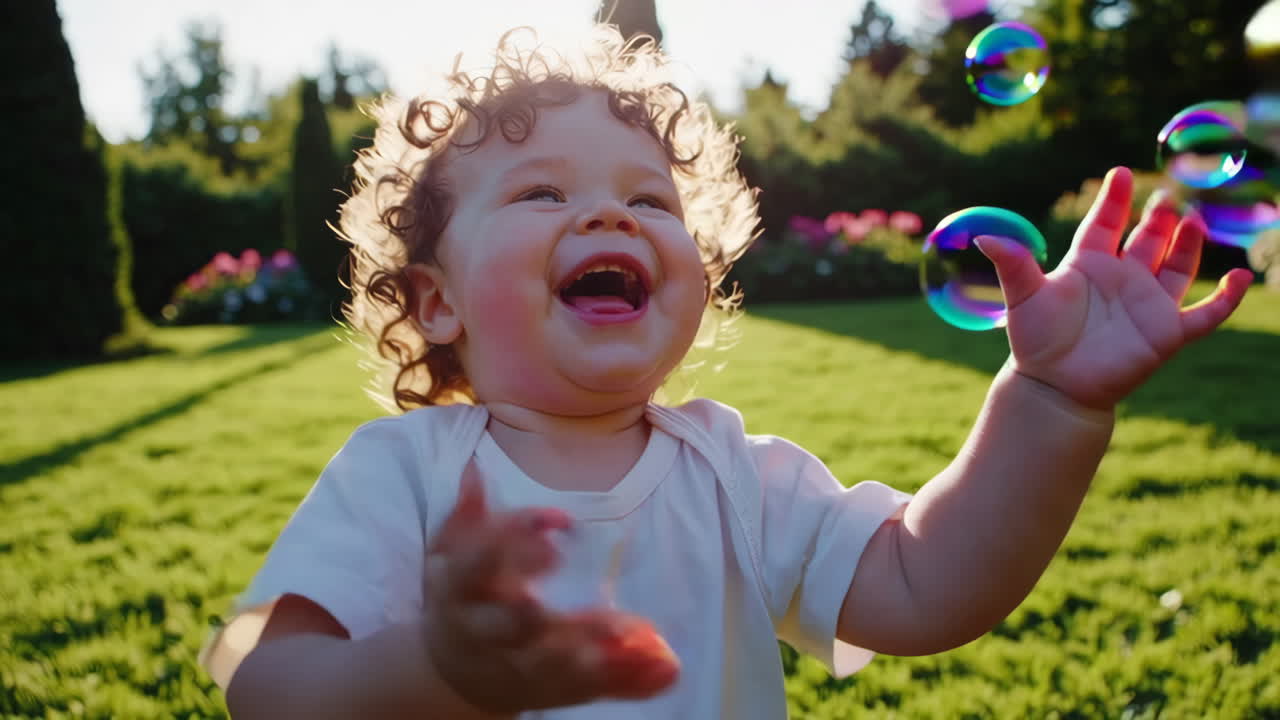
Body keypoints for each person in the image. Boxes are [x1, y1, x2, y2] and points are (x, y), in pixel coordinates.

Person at [198, 25, 1253, 719]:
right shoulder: (404, 473)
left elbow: (925, 588)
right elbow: (260, 678)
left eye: (648, 201)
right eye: (538, 194)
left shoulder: (736, 475)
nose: (609, 214)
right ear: (436, 301)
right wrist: (437, 668)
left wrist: (1052, 402)